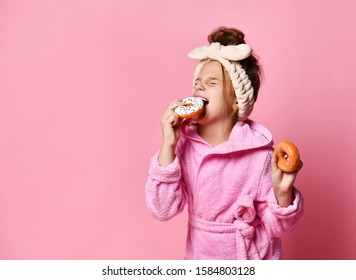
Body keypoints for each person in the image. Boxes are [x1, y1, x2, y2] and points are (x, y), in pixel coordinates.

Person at [145, 26, 304, 260]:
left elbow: (280, 227)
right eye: (197, 81)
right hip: (201, 258)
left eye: (212, 83)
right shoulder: (185, 147)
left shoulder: (259, 155)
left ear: (237, 102)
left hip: (250, 257)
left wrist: (282, 192)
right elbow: (162, 209)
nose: (199, 86)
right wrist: (168, 146)